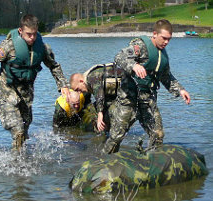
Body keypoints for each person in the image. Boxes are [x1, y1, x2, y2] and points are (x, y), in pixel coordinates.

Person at [0, 14, 69, 151]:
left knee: (24, 134)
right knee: (18, 130)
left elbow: (54, 66)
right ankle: (16, 164)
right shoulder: (8, 47)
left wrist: (63, 85)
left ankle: (20, 159)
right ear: (20, 31)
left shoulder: (42, 48)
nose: (32, 38)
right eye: (28, 34)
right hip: (6, 92)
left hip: (26, 95)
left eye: (34, 34)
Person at [102, 19, 191, 154]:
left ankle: (150, 162)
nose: (166, 42)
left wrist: (181, 90)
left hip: (148, 99)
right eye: (164, 38)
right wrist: (133, 65)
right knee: (116, 136)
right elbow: (119, 57)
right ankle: (103, 162)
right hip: (129, 98)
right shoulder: (140, 46)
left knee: (158, 134)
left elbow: (166, 77)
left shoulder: (163, 55)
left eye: (169, 39)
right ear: (155, 34)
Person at [70, 62, 125, 133]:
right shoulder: (87, 82)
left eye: (78, 89)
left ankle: (108, 133)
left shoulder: (91, 78)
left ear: (81, 81)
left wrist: (100, 114)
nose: (79, 92)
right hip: (115, 95)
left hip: (127, 90)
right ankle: (101, 132)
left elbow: (99, 95)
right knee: (91, 110)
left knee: (104, 112)